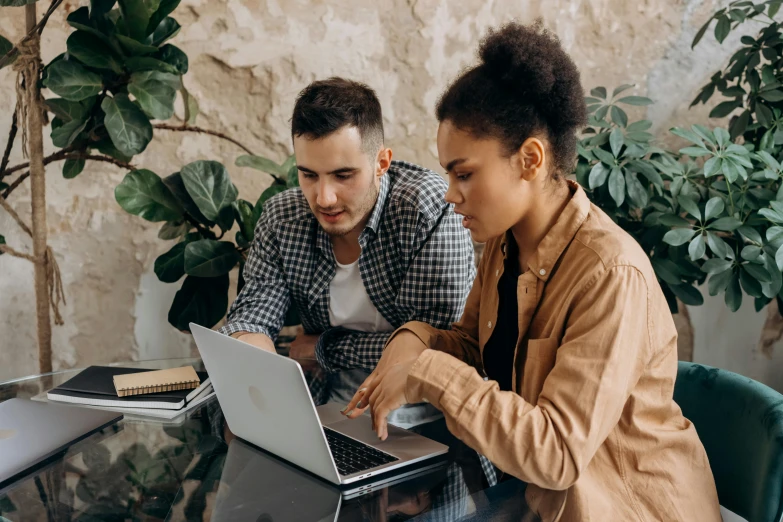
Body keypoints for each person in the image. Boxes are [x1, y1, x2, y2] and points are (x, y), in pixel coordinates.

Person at [343, 22, 722, 521]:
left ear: (530, 160)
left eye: (464, 173)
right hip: (530, 502)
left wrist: (428, 373)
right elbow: (479, 351)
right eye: (447, 174)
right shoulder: (504, 240)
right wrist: (415, 341)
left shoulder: (611, 274)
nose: (450, 193)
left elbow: (557, 455)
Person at [218, 77, 476, 415]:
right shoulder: (282, 218)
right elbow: (253, 316)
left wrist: (327, 349)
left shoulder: (425, 209)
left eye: (343, 176)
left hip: (423, 409)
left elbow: (436, 345)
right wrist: (250, 348)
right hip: (325, 404)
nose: (323, 198)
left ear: (381, 163)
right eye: (309, 175)